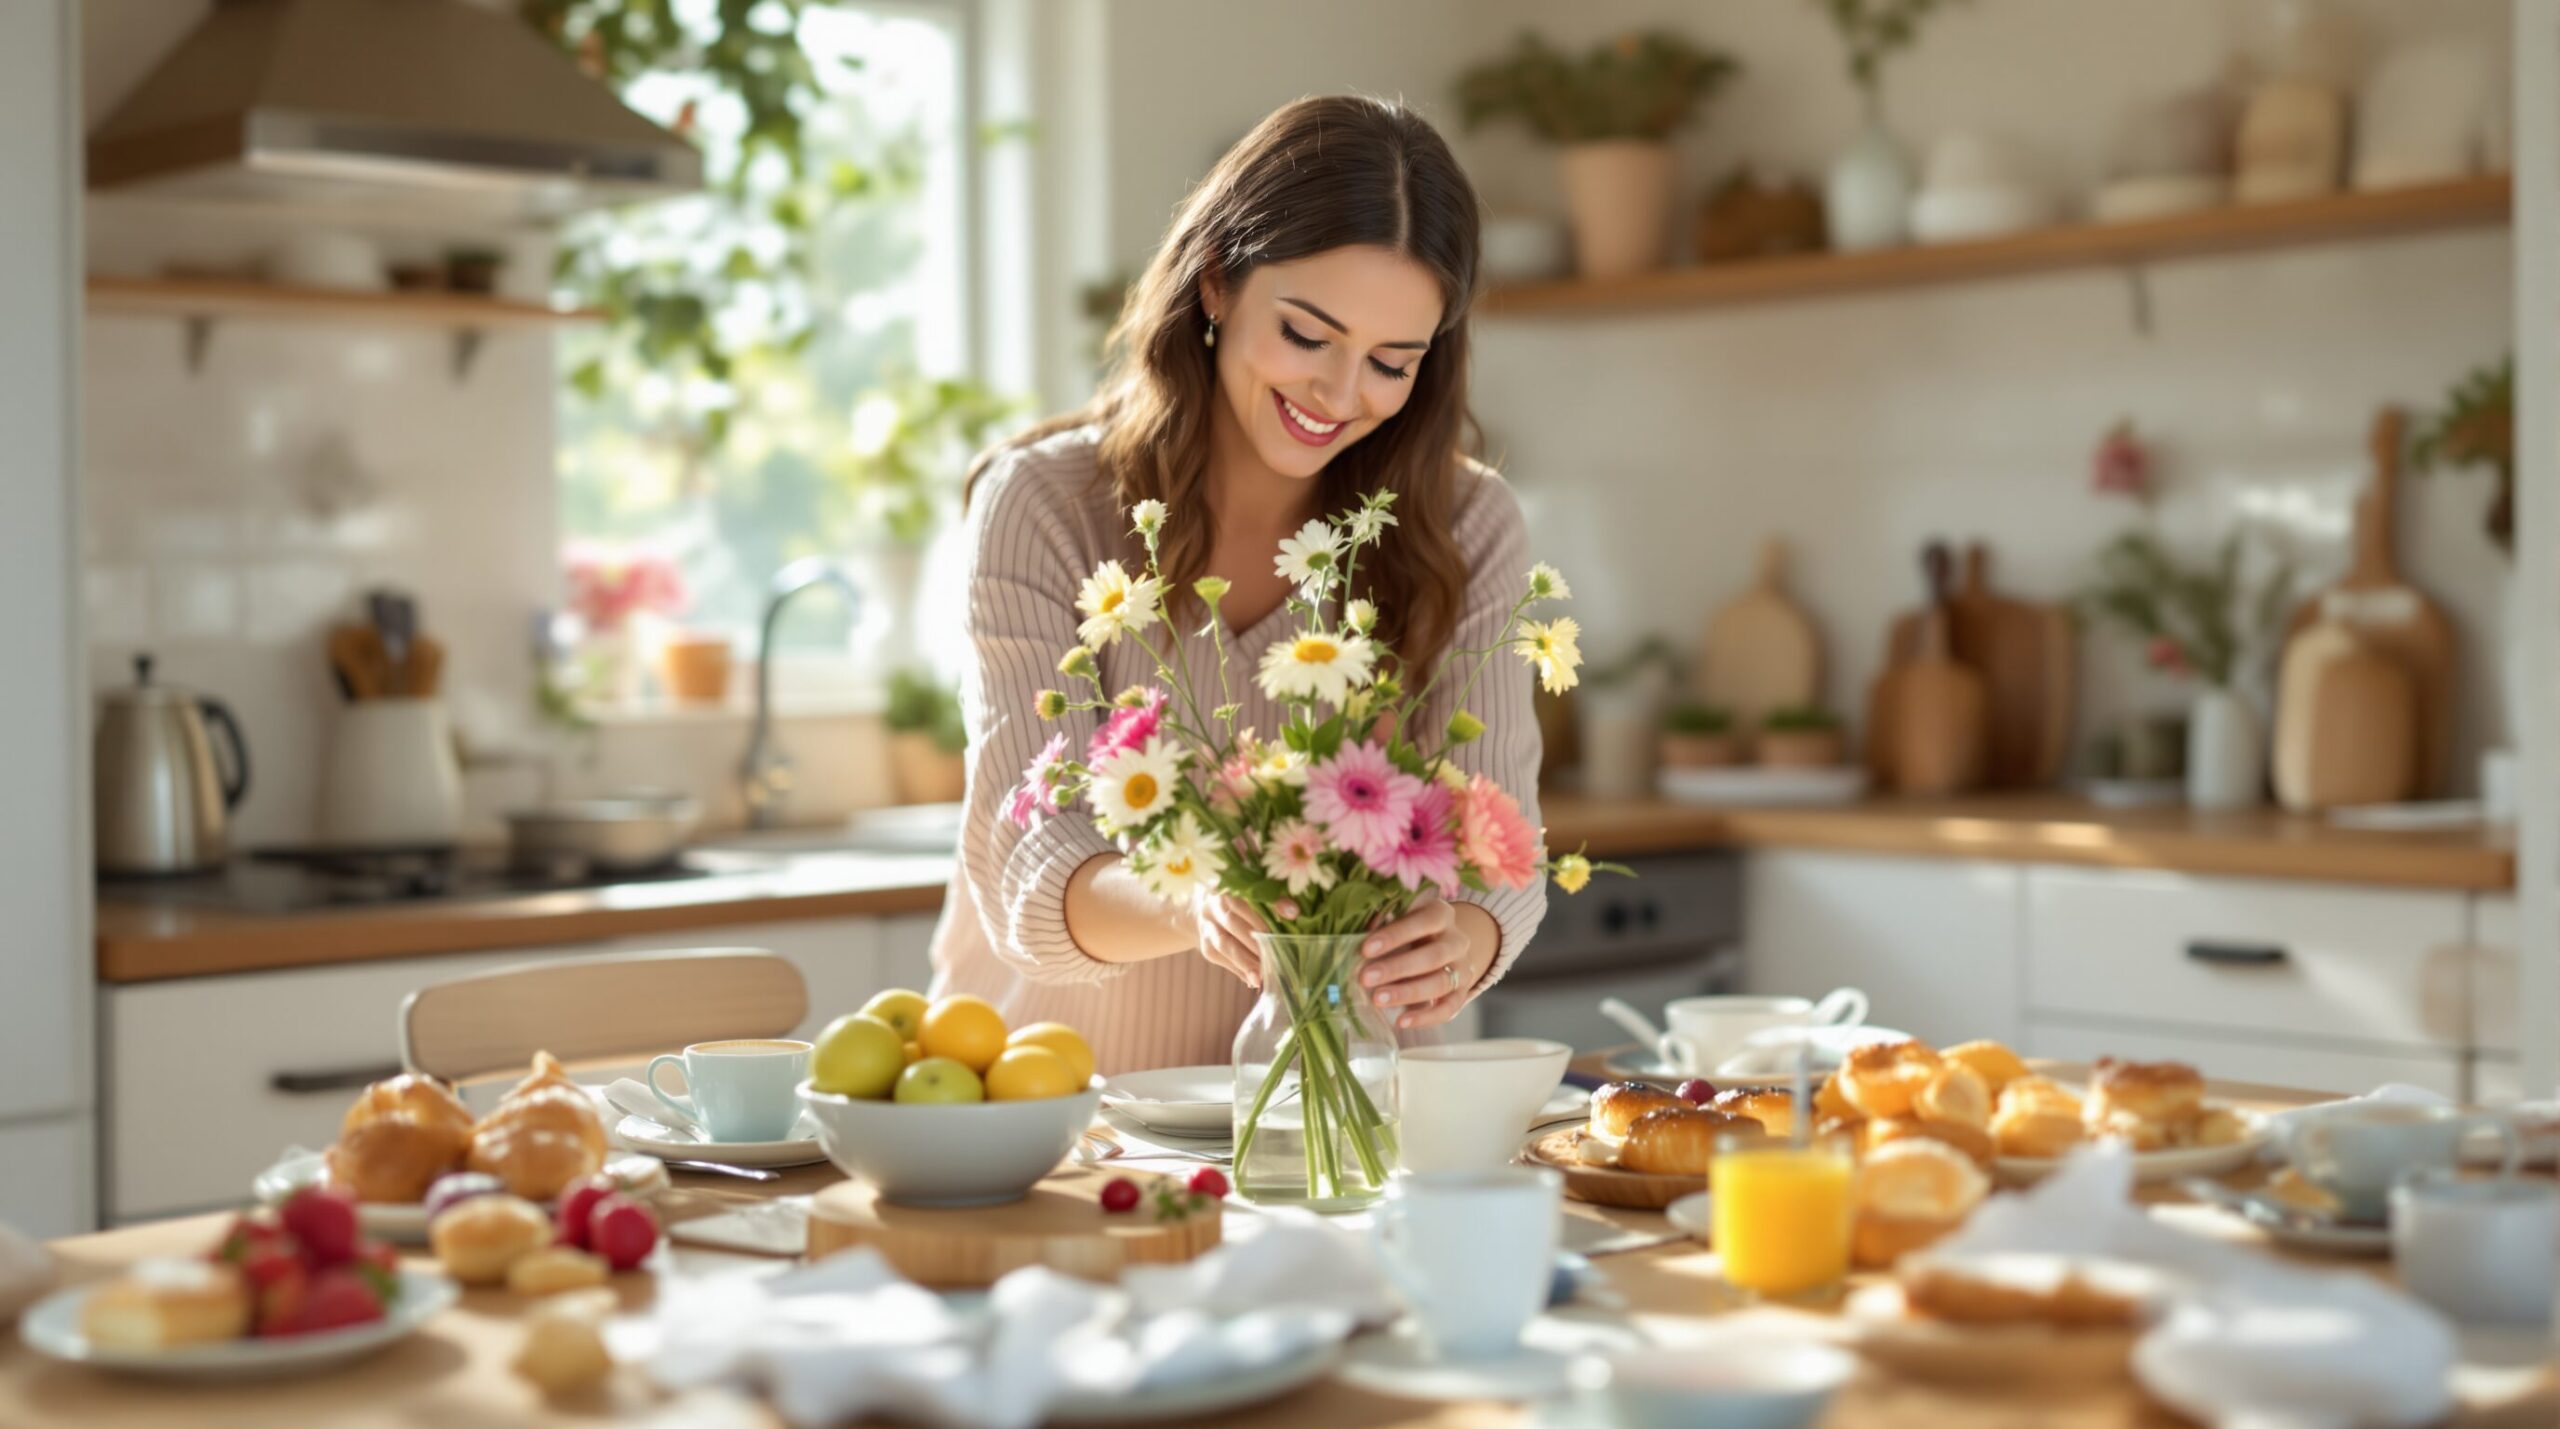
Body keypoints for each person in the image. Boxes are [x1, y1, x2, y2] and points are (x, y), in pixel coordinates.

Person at [929, 94, 1547, 1073]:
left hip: (1347, 1112)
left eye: (1391, 362)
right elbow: (1026, 859)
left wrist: (1462, 939)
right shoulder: (1044, 506)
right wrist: (1195, 896)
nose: (1340, 394)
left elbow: (1499, 839)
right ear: (1215, 282)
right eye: (1306, 335)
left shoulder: (1465, 522)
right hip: (1065, 1108)